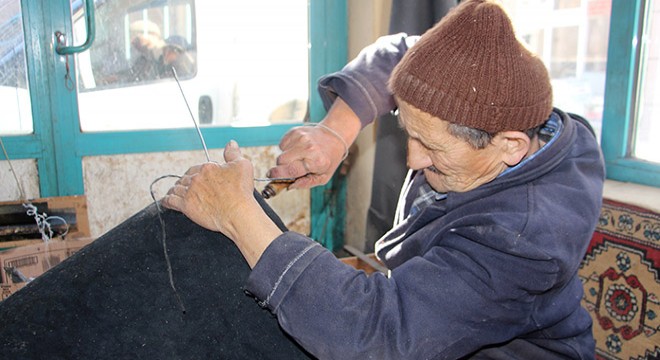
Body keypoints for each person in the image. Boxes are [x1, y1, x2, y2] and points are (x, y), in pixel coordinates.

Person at [162, 0, 605, 358]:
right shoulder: (505, 121)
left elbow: (377, 335)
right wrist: (335, 133)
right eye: (405, 130)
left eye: (431, 146)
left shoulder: (523, 239)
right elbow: (403, 53)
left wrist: (238, 213)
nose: (412, 159)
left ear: (509, 145)